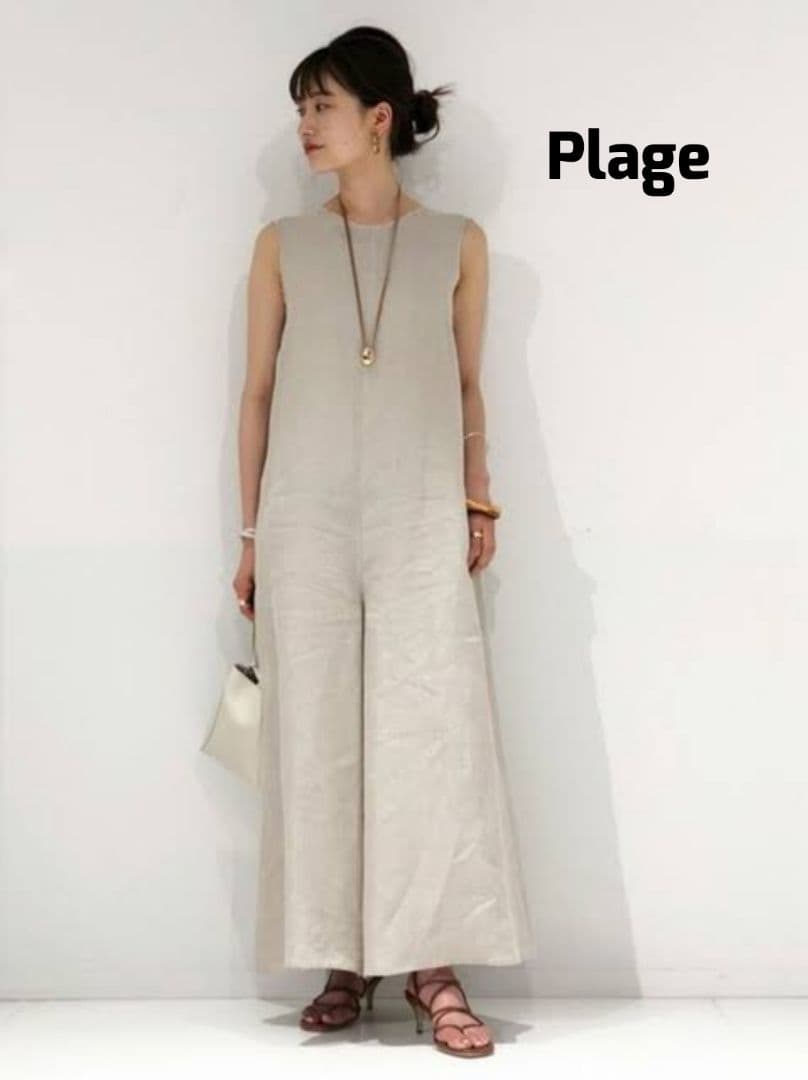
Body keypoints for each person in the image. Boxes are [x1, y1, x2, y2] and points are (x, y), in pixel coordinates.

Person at [232, 25, 535, 1059]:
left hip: (417, 514)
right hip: (303, 517)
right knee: (316, 733)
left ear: (379, 117)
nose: (304, 125)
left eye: (320, 105)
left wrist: (478, 499)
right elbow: (257, 393)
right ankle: (341, 956)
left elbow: (467, 383)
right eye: (300, 108)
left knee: (427, 732)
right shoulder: (282, 244)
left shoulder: (458, 243)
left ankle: (430, 963)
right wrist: (250, 534)